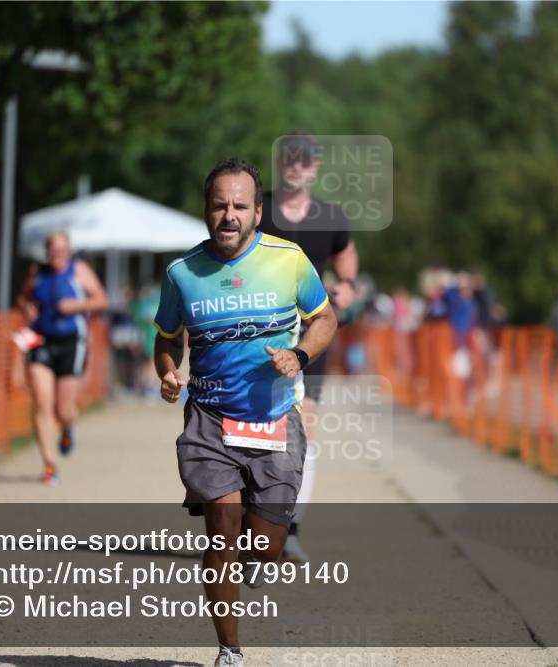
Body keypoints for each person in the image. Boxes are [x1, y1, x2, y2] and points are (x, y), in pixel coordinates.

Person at [154, 158, 337, 667]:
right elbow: (166, 339)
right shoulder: (181, 273)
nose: (229, 215)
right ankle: (229, 649)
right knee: (222, 524)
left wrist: (299, 356)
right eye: (219, 205)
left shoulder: (290, 259)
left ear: (258, 211)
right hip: (209, 419)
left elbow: (325, 318)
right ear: (206, 211)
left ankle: (255, 561)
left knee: (265, 547)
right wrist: (168, 370)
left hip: (274, 416)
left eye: (239, 206)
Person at [257, 131, 359, 563]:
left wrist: (349, 285)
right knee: (255, 428)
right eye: (290, 159)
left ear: (315, 167)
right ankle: (254, 518)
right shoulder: (259, 209)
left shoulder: (330, 216)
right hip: (259, 335)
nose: (297, 166)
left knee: (304, 429)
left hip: (310, 336)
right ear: (281, 164)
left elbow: (346, 253)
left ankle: (291, 527)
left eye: (305, 160)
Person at [16, 231, 108, 484]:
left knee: (63, 409)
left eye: (61, 250)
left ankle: (67, 428)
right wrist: (26, 307)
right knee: (42, 404)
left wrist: (76, 306)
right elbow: (22, 298)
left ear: (68, 251)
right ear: (47, 251)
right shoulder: (38, 273)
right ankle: (49, 464)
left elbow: (101, 300)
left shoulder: (78, 270)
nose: (57, 254)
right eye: (53, 250)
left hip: (71, 343)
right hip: (40, 341)